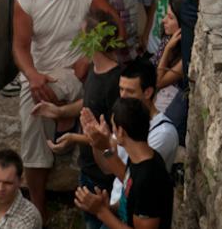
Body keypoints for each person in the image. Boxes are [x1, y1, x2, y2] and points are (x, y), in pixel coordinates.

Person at [10, 0, 122, 220]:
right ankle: (38, 207)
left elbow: (116, 25)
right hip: (42, 72)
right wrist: (32, 75)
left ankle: (64, 120)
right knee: (33, 109)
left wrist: (89, 55)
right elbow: (19, 47)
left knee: (47, 94)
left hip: (75, 71)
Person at [38, 10, 121, 229]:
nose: (79, 41)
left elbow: (112, 138)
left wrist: (73, 138)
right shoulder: (96, 70)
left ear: (94, 39)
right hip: (89, 170)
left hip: (105, 178)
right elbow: (89, 103)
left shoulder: (115, 82)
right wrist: (60, 112)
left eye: (82, 35)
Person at [74, 98, 173, 229]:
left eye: (113, 126)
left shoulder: (148, 177)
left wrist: (101, 211)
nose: (112, 132)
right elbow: (131, 191)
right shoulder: (141, 157)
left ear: (120, 131)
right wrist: (108, 208)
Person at [150, 1, 181, 114]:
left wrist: (167, 49)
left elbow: (160, 81)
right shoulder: (168, 38)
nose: (163, 20)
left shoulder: (184, 55)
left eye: (170, 18)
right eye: (166, 15)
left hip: (166, 100)